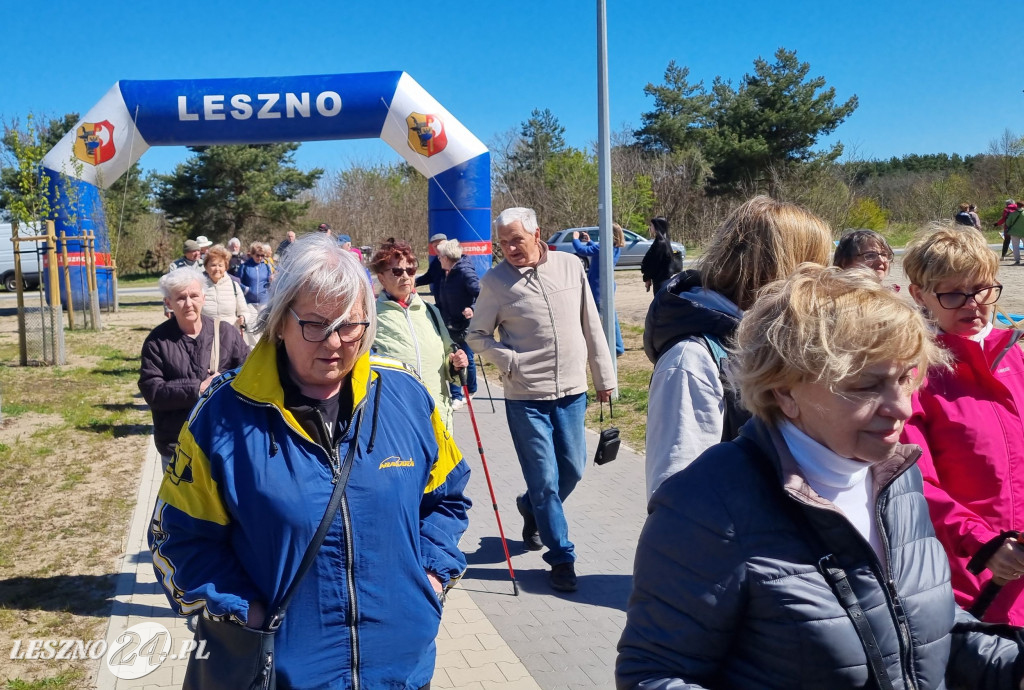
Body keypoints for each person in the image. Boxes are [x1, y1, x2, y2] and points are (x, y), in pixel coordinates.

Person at [617, 264, 1024, 690]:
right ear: (786, 391)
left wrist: (1013, 666)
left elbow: (918, 628)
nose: (902, 407)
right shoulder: (706, 505)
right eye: (868, 386)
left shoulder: (896, 478)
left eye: (906, 378)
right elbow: (653, 675)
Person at [148, 234, 470, 689]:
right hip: (281, 674)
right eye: (315, 325)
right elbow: (177, 541)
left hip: (401, 670)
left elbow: (446, 499)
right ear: (280, 321)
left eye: (350, 324)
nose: (336, 342)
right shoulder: (222, 415)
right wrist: (249, 614)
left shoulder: (407, 397)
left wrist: (431, 582)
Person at [644, 196, 833, 500]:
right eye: (815, 268)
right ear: (780, 269)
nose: (823, 281)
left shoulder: (781, 341)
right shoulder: (691, 360)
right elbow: (678, 498)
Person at [467, 207, 615, 592]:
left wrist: (604, 377)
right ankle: (561, 557)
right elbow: (476, 335)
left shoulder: (570, 266)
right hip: (525, 397)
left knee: (573, 470)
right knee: (545, 481)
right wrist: (509, 360)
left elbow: (591, 324)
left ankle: (531, 509)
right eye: (503, 242)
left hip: (572, 392)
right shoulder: (495, 282)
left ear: (537, 234)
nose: (511, 248)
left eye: (517, 239)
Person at [901, 226, 1024, 625]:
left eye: (983, 289)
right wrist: (983, 544)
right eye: (953, 293)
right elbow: (913, 483)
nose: (973, 305)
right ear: (919, 295)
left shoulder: (1014, 359)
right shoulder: (913, 376)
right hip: (970, 582)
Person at [138, 267, 248, 472]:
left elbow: (250, 375)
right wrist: (197, 389)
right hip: (177, 446)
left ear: (203, 298)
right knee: (180, 505)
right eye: (180, 298)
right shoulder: (156, 341)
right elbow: (152, 390)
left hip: (224, 441)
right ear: (168, 303)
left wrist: (224, 382)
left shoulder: (226, 333)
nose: (188, 303)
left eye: (194, 296)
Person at [370, 238, 468, 432]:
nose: (405, 276)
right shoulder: (370, 315)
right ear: (381, 278)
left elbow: (448, 358)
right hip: (394, 422)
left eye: (411, 270)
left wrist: (456, 363)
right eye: (397, 271)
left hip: (437, 417)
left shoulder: (431, 312)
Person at [435, 239, 480, 410]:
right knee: (453, 357)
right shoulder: (445, 273)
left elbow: (482, 294)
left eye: (440, 256)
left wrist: (472, 308)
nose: (438, 259)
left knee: (467, 358)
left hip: (465, 324)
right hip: (449, 322)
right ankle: (456, 395)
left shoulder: (464, 272)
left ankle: (471, 389)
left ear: (447, 257)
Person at [571, 224, 625, 356]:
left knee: (597, 318)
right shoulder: (613, 247)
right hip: (605, 287)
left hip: (599, 288)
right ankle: (617, 346)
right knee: (611, 317)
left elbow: (582, 251)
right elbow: (593, 249)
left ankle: (614, 347)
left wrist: (575, 238)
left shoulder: (604, 247)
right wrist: (589, 241)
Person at [200, 244, 249, 334]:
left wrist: (243, 318)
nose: (217, 269)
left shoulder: (234, 285)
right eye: (213, 265)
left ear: (226, 267)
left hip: (230, 335)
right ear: (206, 267)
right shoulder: (200, 287)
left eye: (220, 265)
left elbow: (244, 311)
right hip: (207, 335)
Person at [833, 228, 900, 289]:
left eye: (884, 254)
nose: (881, 260)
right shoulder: (836, 299)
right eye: (870, 255)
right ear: (844, 262)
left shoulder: (891, 298)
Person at [640, 216, 679, 295]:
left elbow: (653, 263)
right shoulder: (660, 241)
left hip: (661, 280)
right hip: (659, 279)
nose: (650, 227)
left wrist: (647, 277)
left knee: (660, 304)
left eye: (651, 225)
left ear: (657, 227)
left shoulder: (661, 244)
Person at [238, 241, 272, 307]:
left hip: (263, 302)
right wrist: (246, 290)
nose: (260, 258)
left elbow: (269, 283)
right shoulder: (244, 266)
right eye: (257, 255)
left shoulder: (266, 266)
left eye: (262, 255)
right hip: (249, 303)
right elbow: (238, 282)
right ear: (252, 254)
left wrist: (271, 280)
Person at [415, 232, 447, 299]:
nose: (438, 248)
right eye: (435, 246)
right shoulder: (436, 261)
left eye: (440, 245)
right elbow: (429, 277)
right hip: (440, 302)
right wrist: (414, 283)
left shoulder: (456, 260)